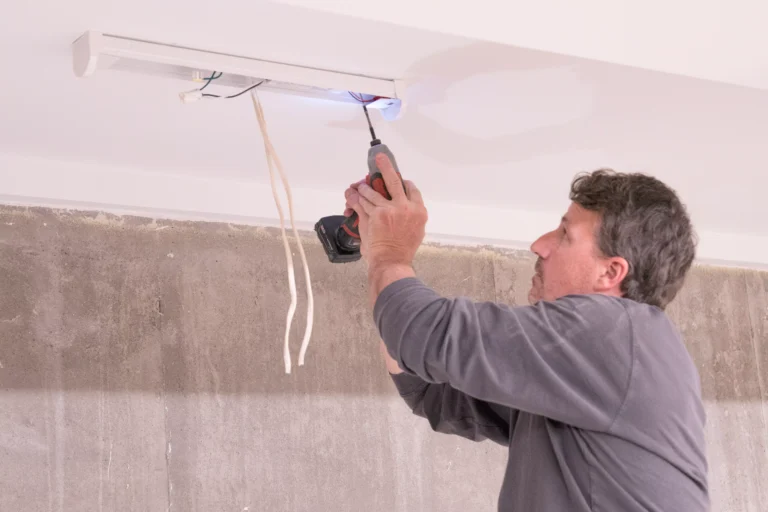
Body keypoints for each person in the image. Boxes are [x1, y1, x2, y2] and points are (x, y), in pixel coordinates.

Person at [343, 153, 709, 511]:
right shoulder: (595, 363)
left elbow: (422, 334)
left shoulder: (614, 334)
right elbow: (434, 394)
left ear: (611, 273)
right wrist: (381, 254)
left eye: (565, 234)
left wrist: (389, 254)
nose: (539, 245)